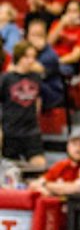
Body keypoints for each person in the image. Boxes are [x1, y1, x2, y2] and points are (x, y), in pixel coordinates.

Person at [0, 40, 46, 168]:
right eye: (27, 57)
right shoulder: (6, 79)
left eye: (33, 57)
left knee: (39, 166)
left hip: (31, 132)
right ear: (19, 57)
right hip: (11, 132)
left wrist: (35, 119)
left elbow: (38, 100)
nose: (31, 60)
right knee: (9, 170)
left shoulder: (36, 77)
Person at [30, 127, 80, 195]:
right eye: (74, 144)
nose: (78, 149)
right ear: (68, 147)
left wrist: (46, 185)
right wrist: (47, 188)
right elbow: (34, 185)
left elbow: (77, 189)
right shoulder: (63, 165)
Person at [25, 17, 65, 111]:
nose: (36, 39)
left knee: (30, 81)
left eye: (40, 35)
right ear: (27, 36)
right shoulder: (25, 51)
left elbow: (31, 69)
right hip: (33, 91)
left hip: (51, 93)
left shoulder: (50, 55)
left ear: (46, 36)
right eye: (33, 35)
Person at [47, 0, 80, 79]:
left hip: (67, 64)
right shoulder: (57, 25)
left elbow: (75, 56)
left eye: (75, 11)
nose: (71, 14)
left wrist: (55, 62)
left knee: (53, 71)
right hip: (50, 59)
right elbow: (48, 43)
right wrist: (61, 24)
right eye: (69, 11)